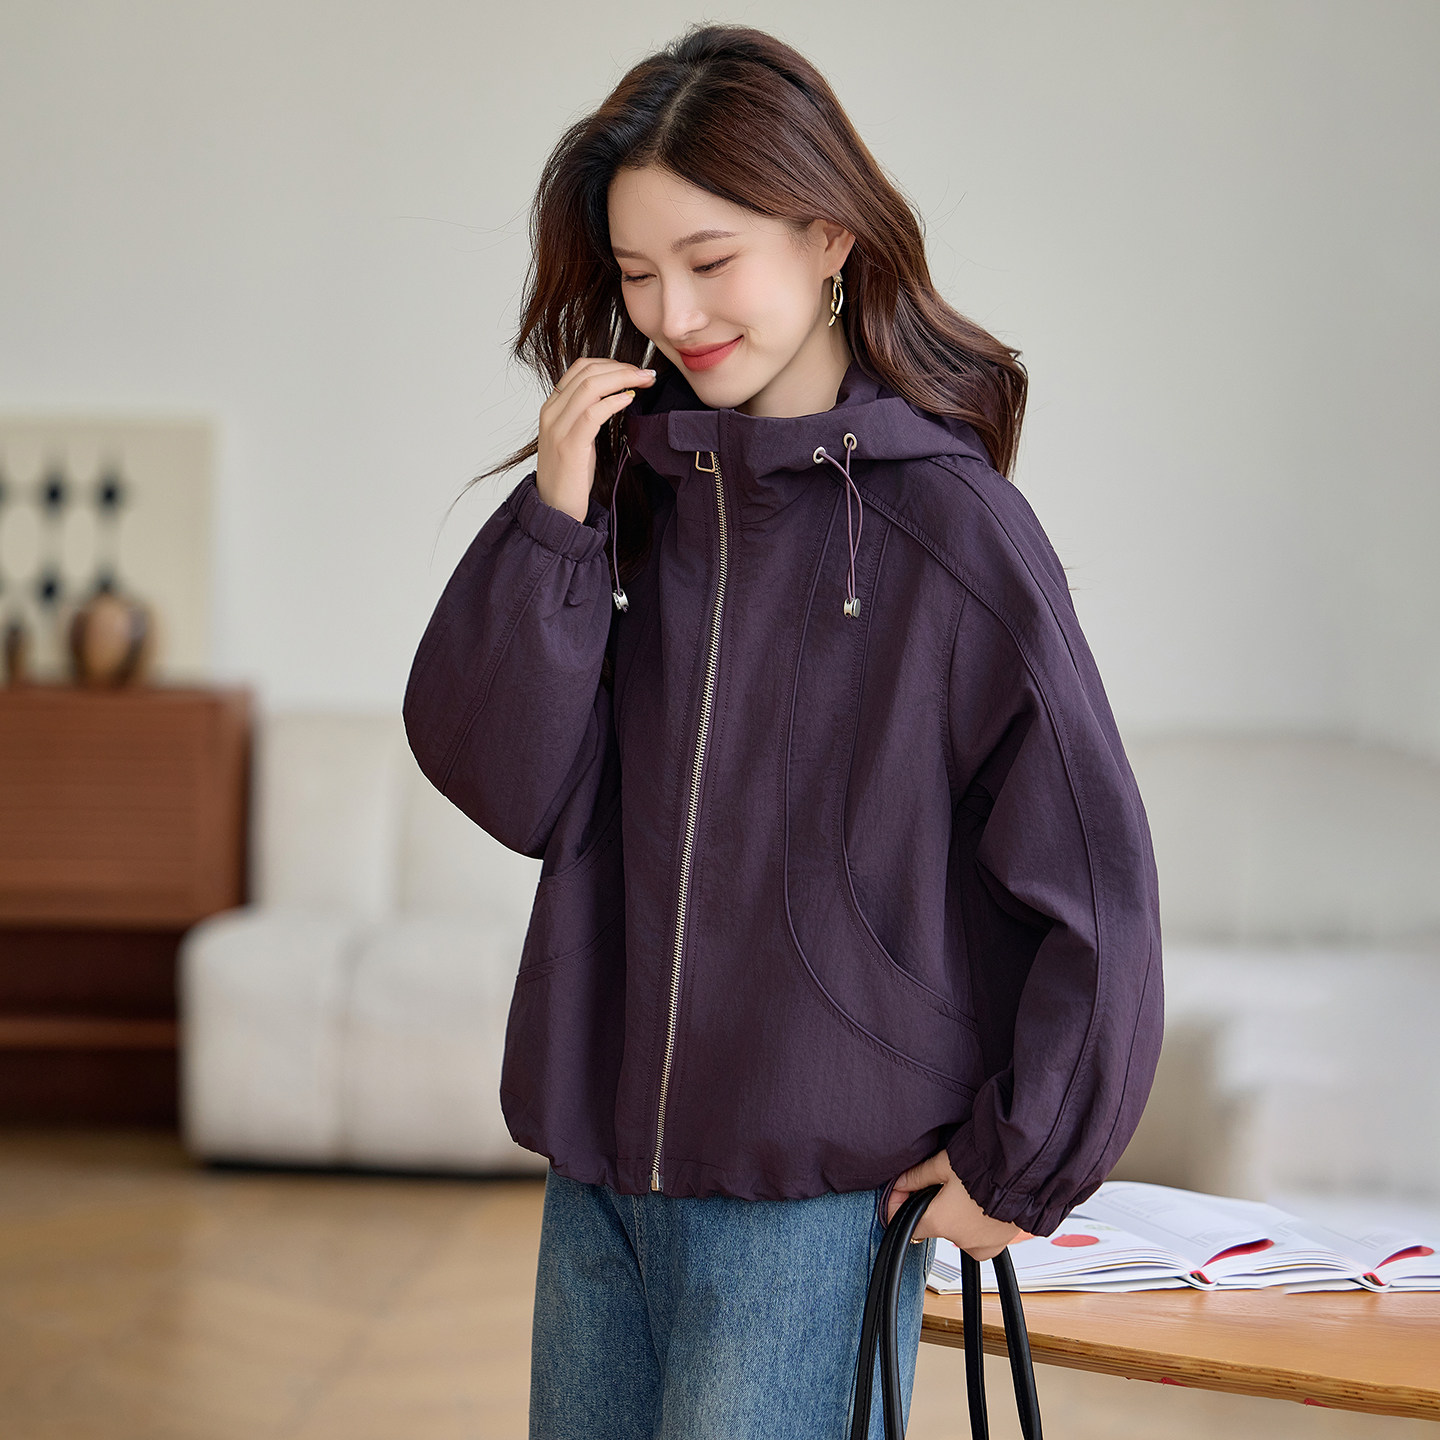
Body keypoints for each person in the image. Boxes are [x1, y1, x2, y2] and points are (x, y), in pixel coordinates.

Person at [403, 22, 1163, 1440]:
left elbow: (1093, 877)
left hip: (813, 1206)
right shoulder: (625, 503)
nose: (674, 311)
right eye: (638, 273)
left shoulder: (952, 531)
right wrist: (555, 520)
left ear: (827, 238)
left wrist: (1024, 1159)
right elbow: (502, 781)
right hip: (601, 1180)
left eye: (711, 259)